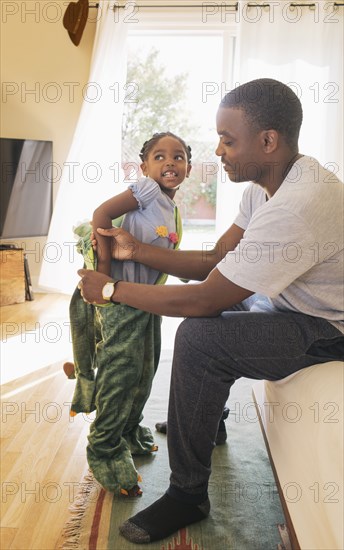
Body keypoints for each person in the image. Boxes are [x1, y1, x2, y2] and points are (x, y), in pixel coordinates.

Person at [77, 78, 344, 543]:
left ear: (267, 141)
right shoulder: (263, 189)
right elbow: (215, 262)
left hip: (326, 327)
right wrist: (136, 249)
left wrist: (109, 290)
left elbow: (202, 299)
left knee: (199, 339)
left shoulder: (299, 205)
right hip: (286, 304)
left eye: (227, 139)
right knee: (228, 300)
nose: (217, 151)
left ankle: (187, 494)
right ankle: (208, 416)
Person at [66, 131, 193, 497]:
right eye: (160, 156)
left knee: (145, 370)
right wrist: (104, 269)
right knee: (121, 376)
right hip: (122, 302)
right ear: (144, 167)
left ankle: (127, 429)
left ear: (187, 167)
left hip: (148, 302)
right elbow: (102, 214)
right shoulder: (148, 190)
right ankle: (104, 447)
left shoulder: (172, 207)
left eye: (179, 156)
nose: (170, 162)